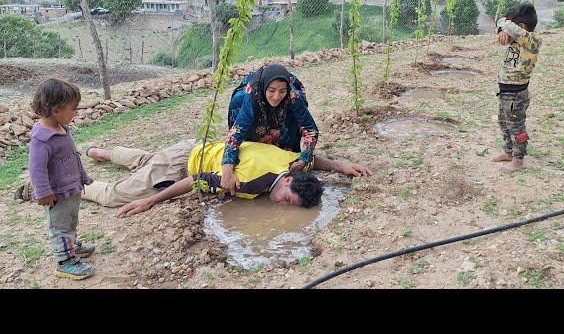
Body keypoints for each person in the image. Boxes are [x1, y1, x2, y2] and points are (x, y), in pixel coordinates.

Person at [81, 139, 371, 216]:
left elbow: (313, 161)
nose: (282, 204)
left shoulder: (292, 166)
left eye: (289, 206)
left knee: (147, 161)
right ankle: (76, 187)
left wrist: (342, 167)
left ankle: (100, 152)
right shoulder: (247, 181)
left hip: (193, 146)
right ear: (286, 183)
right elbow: (195, 181)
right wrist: (150, 201)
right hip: (181, 165)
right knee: (118, 195)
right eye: (287, 199)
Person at [27, 78, 96, 280]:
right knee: (60, 227)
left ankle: (72, 247)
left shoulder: (61, 129)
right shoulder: (41, 139)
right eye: (73, 108)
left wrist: (82, 177)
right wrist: (43, 192)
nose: (76, 113)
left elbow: (72, 157)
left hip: (70, 189)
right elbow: (36, 169)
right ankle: (64, 261)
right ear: (57, 110)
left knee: (70, 220)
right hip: (56, 194)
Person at [221, 64, 319, 194]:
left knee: (293, 123)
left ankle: (285, 150)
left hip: (284, 111)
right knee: (240, 107)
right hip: (254, 108)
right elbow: (237, 132)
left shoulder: (293, 96)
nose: (277, 96)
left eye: (282, 91)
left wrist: (304, 158)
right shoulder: (252, 95)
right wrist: (227, 168)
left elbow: (310, 129)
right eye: (272, 91)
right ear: (264, 87)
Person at [491, 3, 542, 172]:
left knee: (517, 126)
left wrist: (506, 28)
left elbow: (505, 23)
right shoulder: (516, 39)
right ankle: (509, 152)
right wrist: (503, 30)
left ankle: (518, 159)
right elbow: (500, 21)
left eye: (511, 28)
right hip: (505, 92)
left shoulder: (532, 41)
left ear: (520, 27)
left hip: (516, 95)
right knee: (504, 122)